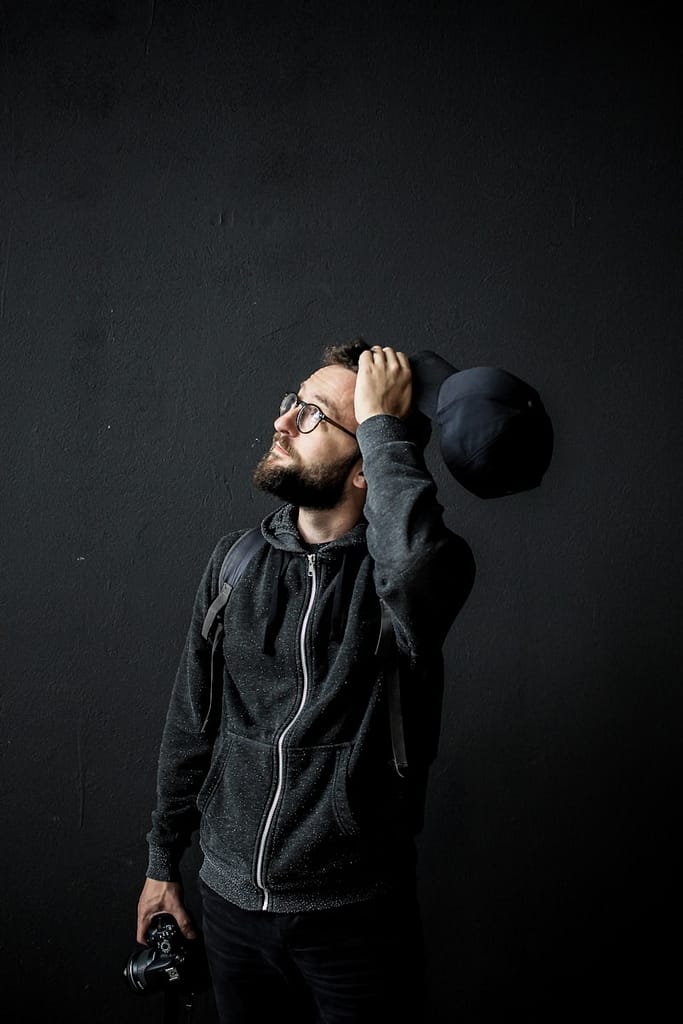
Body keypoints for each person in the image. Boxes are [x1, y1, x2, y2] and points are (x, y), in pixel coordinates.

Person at [136, 339, 476, 1023]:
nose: (283, 422)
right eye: (292, 403)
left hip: (353, 920)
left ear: (365, 469)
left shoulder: (409, 582)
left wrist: (382, 424)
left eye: (315, 415)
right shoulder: (234, 564)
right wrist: (161, 861)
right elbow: (189, 721)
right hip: (228, 906)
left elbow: (410, 567)